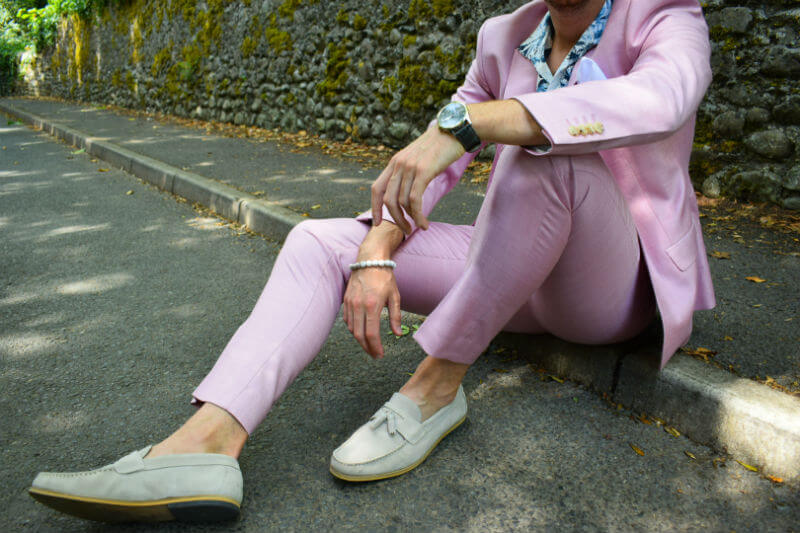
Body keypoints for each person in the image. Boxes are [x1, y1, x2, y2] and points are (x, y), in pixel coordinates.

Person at [29, 0, 715, 523]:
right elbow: (431, 162)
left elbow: (659, 100)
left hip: (609, 288)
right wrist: (378, 247)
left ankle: (434, 387)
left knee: (544, 162)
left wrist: (476, 123)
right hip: (517, 268)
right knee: (320, 241)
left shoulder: (665, 16)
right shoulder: (505, 36)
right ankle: (205, 443)